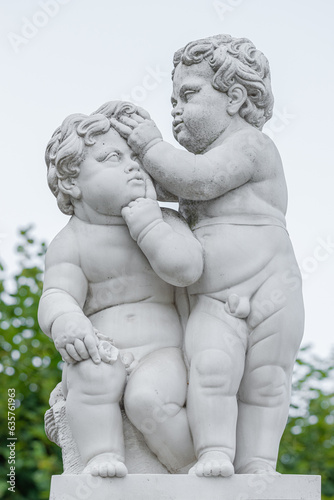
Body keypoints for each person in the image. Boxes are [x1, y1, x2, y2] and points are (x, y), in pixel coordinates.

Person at [111, 35, 304, 477]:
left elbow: (196, 180)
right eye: (172, 99)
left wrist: (149, 146)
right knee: (211, 368)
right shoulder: (195, 163)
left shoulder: (250, 145)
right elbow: (172, 182)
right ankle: (214, 451)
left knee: (266, 381)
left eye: (189, 94)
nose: (175, 108)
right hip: (215, 298)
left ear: (234, 97)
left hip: (272, 286)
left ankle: (258, 465)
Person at [38, 101, 203, 477]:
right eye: (113, 157)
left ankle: (189, 467)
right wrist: (66, 320)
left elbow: (187, 268)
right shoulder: (71, 242)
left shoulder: (165, 220)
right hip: (101, 349)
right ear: (70, 181)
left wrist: (149, 224)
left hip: (164, 353)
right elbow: (57, 294)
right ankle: (101, 458)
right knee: (89, 377)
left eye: (136, 156)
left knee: (147, 398)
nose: (133, 165)